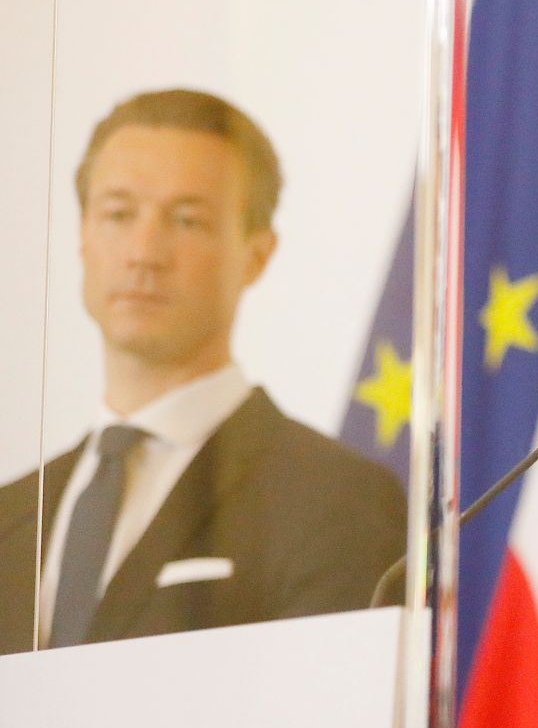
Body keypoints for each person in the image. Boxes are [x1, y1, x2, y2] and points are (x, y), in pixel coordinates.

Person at [0, 89, 406, 655]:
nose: (144, 251)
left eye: (187, 221)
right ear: (83, 237)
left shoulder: (336, 500)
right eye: (118, 214)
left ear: (257, 254)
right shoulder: (10, 514)